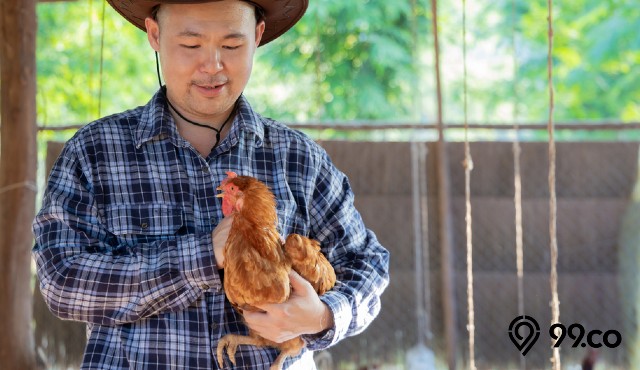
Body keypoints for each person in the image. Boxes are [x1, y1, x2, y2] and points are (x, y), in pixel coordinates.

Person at [32, 1, 390, 369]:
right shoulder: (94, 152)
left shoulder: (298, 158)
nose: (213, 65)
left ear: (257, 36)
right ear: (155, 34)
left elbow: (368, 264)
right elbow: (61, 281)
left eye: (232, 45)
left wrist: (322, 316)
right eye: (191, 45)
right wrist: (203, 255)